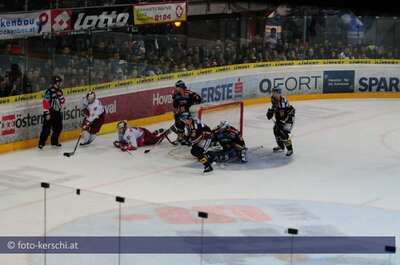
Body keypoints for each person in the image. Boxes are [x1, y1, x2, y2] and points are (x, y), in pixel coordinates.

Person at [170, 80, 202, 145]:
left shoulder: (190, 93)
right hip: (182, 114)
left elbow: (199, 99)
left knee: (189, 122)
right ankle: (180, 137)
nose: (175, 88)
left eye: (176, 87)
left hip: (191, 113)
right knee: (178, 122)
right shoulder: (176, 95)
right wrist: (176, 112)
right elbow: (175, 107)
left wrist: (193, 106)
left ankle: (191, 137)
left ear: (180, 87)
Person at [38, 75, 65, 149]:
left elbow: (62, 102)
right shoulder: (49, 91)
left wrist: (61, 97)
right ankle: (41, 143)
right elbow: (45, 102)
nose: (61, 83)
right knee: (46, 130)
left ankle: (54, 141)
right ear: (56, 82)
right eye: (59, 82)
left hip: (57, 113)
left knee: (59, 127)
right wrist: (47, 113)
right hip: (50, 113)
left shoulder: (60, 91)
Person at [266, 88, 295, 156]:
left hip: (289, 119)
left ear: (279, 93)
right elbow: (274, 107)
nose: (273, 94)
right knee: (276, 130)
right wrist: (270, 112)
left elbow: (287, 113)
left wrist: (283, 121)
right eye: (273, 93)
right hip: (281, 119)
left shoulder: (282, 102)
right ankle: (281, 146)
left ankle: (290, 149)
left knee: (283, 132)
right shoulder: (273, 99)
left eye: (275, 93)